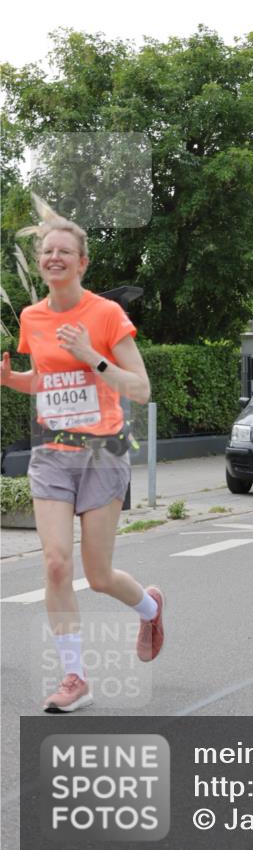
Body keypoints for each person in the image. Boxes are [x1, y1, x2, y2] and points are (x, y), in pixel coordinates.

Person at [1, 209, 164, 713]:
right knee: (54, 564)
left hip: (103, 454)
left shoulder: (106, 316)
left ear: (82, 263)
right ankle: (75, 676)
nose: (53, 257)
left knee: (97, 575)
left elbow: (139, 388)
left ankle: (151, 607)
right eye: (47, 251)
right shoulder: (32, 317)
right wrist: (10, 379)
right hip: (52, 453)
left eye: (64, 252)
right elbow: (47, 380)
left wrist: (94, 355)